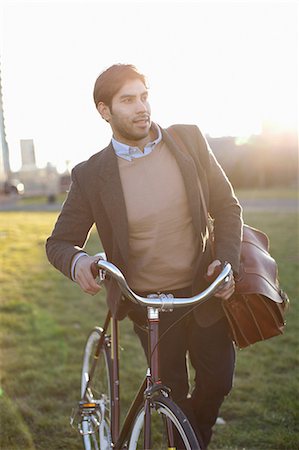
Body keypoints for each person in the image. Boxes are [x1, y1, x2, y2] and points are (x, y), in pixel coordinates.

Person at [46, 63, 242, 448]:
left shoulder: (189, 140)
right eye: (128, 100)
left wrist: (227, 260)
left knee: (218, 381)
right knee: (169, 394)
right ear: (105, 111)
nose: (142, 108)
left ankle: (191, 439)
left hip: (202, 292)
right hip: (148, 305)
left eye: (144, 96)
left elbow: (227, 206)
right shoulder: (91, 174)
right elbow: (60, 242)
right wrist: (79, 261)